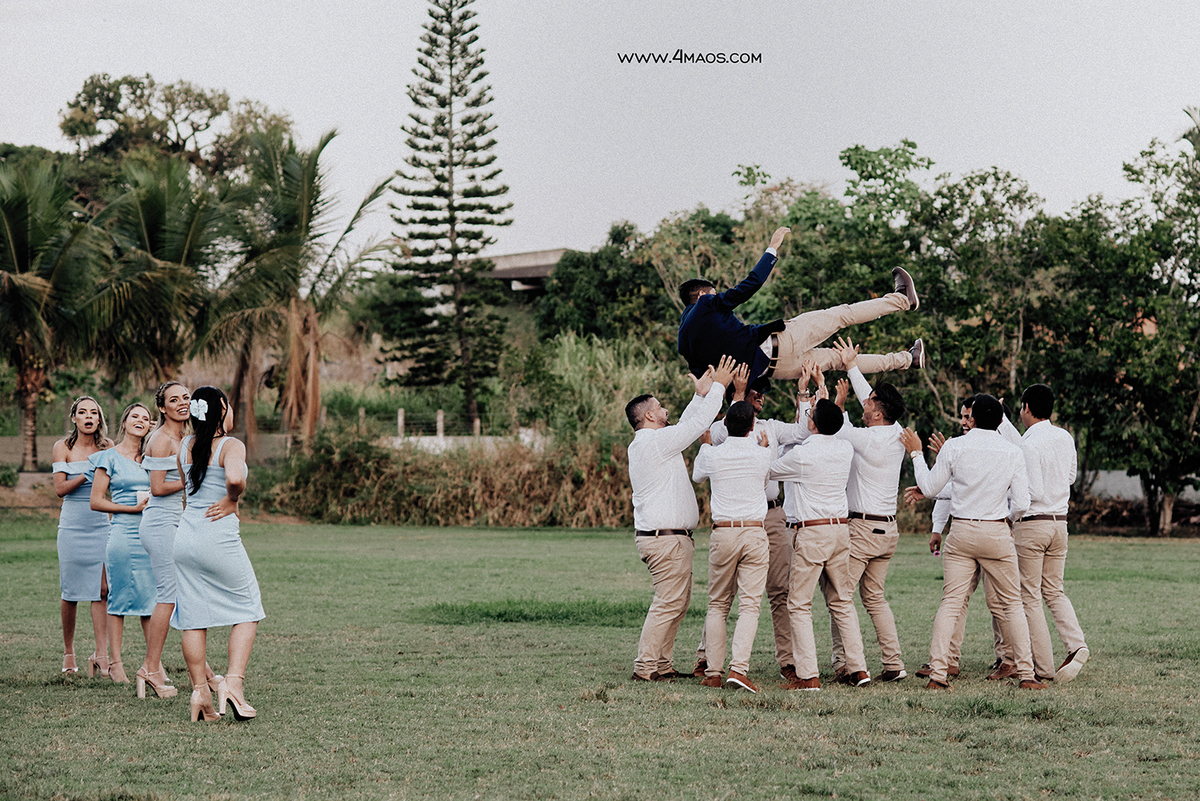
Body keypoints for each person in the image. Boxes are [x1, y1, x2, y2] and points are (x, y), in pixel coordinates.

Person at [901, 394, 1045, 690]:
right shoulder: (1011, 451)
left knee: (951, 603)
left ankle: (938, 674)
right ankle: (1027, 675)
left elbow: (929, 487)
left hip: (962, 531)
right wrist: (1007, 518)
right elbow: (1022, 502)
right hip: (996, 532)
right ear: (1001, 420)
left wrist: (917, 454)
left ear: (974, 418)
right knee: (1013, 604)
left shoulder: (955, 446)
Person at [677, 227, 923, 386]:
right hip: (780, 343)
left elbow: (712, 384)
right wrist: (772, 248)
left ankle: (907, 360)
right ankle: (903, 299)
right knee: (841, 315)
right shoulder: (706, 304)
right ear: (700, 295)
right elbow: (749, 286)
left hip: (777, 370)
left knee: (841, 361)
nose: (717, 295)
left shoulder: (685, 347)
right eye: (713, 292)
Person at [693, 370, 812, 683]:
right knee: (742, 602)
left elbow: (803, 431)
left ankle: (724, 668)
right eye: (755, 391)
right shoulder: (756, 448)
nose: (761, 395)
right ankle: (725, 666)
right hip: (753, 524)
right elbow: (763, 471)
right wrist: (736, 396)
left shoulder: (763, 429)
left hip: (756, 520)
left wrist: (803, 396)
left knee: (754, 595)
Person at [626, 355, 737, 682]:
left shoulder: (656, 441)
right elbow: (695, 426)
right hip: (665, 538)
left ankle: (662, 665)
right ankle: (645, 667)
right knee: (668, 603)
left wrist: (701, 394)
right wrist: (719, 387)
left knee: (677, 602)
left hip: (669, 537)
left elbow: (687, 424)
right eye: (660, 408)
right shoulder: (654, 442)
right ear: (649, 415)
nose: (666, 411)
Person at [173, 386, 264, 722]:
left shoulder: (185, 445)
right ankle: (234, 686)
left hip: (185, 537)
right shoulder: (230, 444)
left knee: (193, 618)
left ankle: (200, 692)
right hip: (217, 538)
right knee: (248, 607)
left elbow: (186, 489)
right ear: (222, 408)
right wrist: (233, 498)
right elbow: (236, 478)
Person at [771, 390, 871, 691]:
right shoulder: (844, 450)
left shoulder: (802, 454)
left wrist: (768, 448)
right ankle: (859, 669)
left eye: (809, 414)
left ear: (812, 424)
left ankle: (808, 674)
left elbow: (771, 471)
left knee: (799, 603)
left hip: (812, 531)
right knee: (842, 601)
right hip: (840, 530)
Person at [826, 337, 909, 682]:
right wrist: (852, 367)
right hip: (887, 530)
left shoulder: (867, 438)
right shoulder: (896, 432)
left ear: (876, 411)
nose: (866, 401)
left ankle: (850, 665)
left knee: (839, 598)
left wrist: (839, 402)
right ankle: (894, 664)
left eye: (870, 401)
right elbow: (869, 403)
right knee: (874, 598)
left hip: (863, 530)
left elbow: (837, 426)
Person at [136, 381, 220, 700]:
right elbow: (157, 487)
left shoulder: (185, 438)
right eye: (174, 399)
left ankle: (205, 671)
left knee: (182, 594)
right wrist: (193, 480)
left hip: (176, 520)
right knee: (169, 595)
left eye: (186, 397)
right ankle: (150, 668)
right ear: (162, 407)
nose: (182, 403)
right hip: (160, 521)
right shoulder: (161, 439)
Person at [691, 400, 774, 692]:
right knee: (750, 605)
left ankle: (713, 671)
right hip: (753, 532)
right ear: (753, 426)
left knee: (718, 603)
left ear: (725, 425)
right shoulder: (763, 455)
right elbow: (765, 483)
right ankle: (739, 669)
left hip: (724, 532)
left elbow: (697, 476)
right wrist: (763, 449)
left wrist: (705, 445)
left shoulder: (712, 454)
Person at [1013, 383, 1090, 682]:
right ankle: (1076, 644)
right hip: (1060, 523)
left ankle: (1042, 668)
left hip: (1033, 523)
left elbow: (1030, 493)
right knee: (1054, 590)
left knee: (1029, 596)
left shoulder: (1027, 444)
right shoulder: (1064, 436)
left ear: (1027, 408)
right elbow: (1070, 477)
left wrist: (1011, 518)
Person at [88, 403, 154, 685]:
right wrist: (131, 509)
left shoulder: (153, 456)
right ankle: (115, 663)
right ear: (125, 422)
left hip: (151, 536)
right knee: (118, 598)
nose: (141, 421)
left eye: (147, 418)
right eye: (135, 416)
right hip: (123, 534)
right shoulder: (108, 457)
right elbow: (96, 501)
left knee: (152, 600)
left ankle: (154, 664)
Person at [52, 397, 113, 677]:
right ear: (74, 418)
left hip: (101, 524)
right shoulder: (62, 448)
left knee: (102, 589)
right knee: (71, 592)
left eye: (94, 412)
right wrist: (89, 473)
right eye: (82, 412)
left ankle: (102, 655)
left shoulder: (108, 447)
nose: (88, 416)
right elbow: (60, 489)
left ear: (99, 419)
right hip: (73, 525)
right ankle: (69, 652)